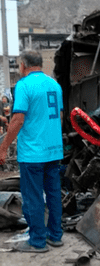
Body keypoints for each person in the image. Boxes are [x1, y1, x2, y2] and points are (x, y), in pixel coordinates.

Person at [0, 49, 64, 252]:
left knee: (33, 196)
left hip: (33, 154)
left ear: (23, 65)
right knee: (53, 194)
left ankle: (37, 241)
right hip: (53, 151)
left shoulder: (24, 85)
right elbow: (60, 117)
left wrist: (3, 148)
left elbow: (17, 119)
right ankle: (55, 236)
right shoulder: (54, 85)